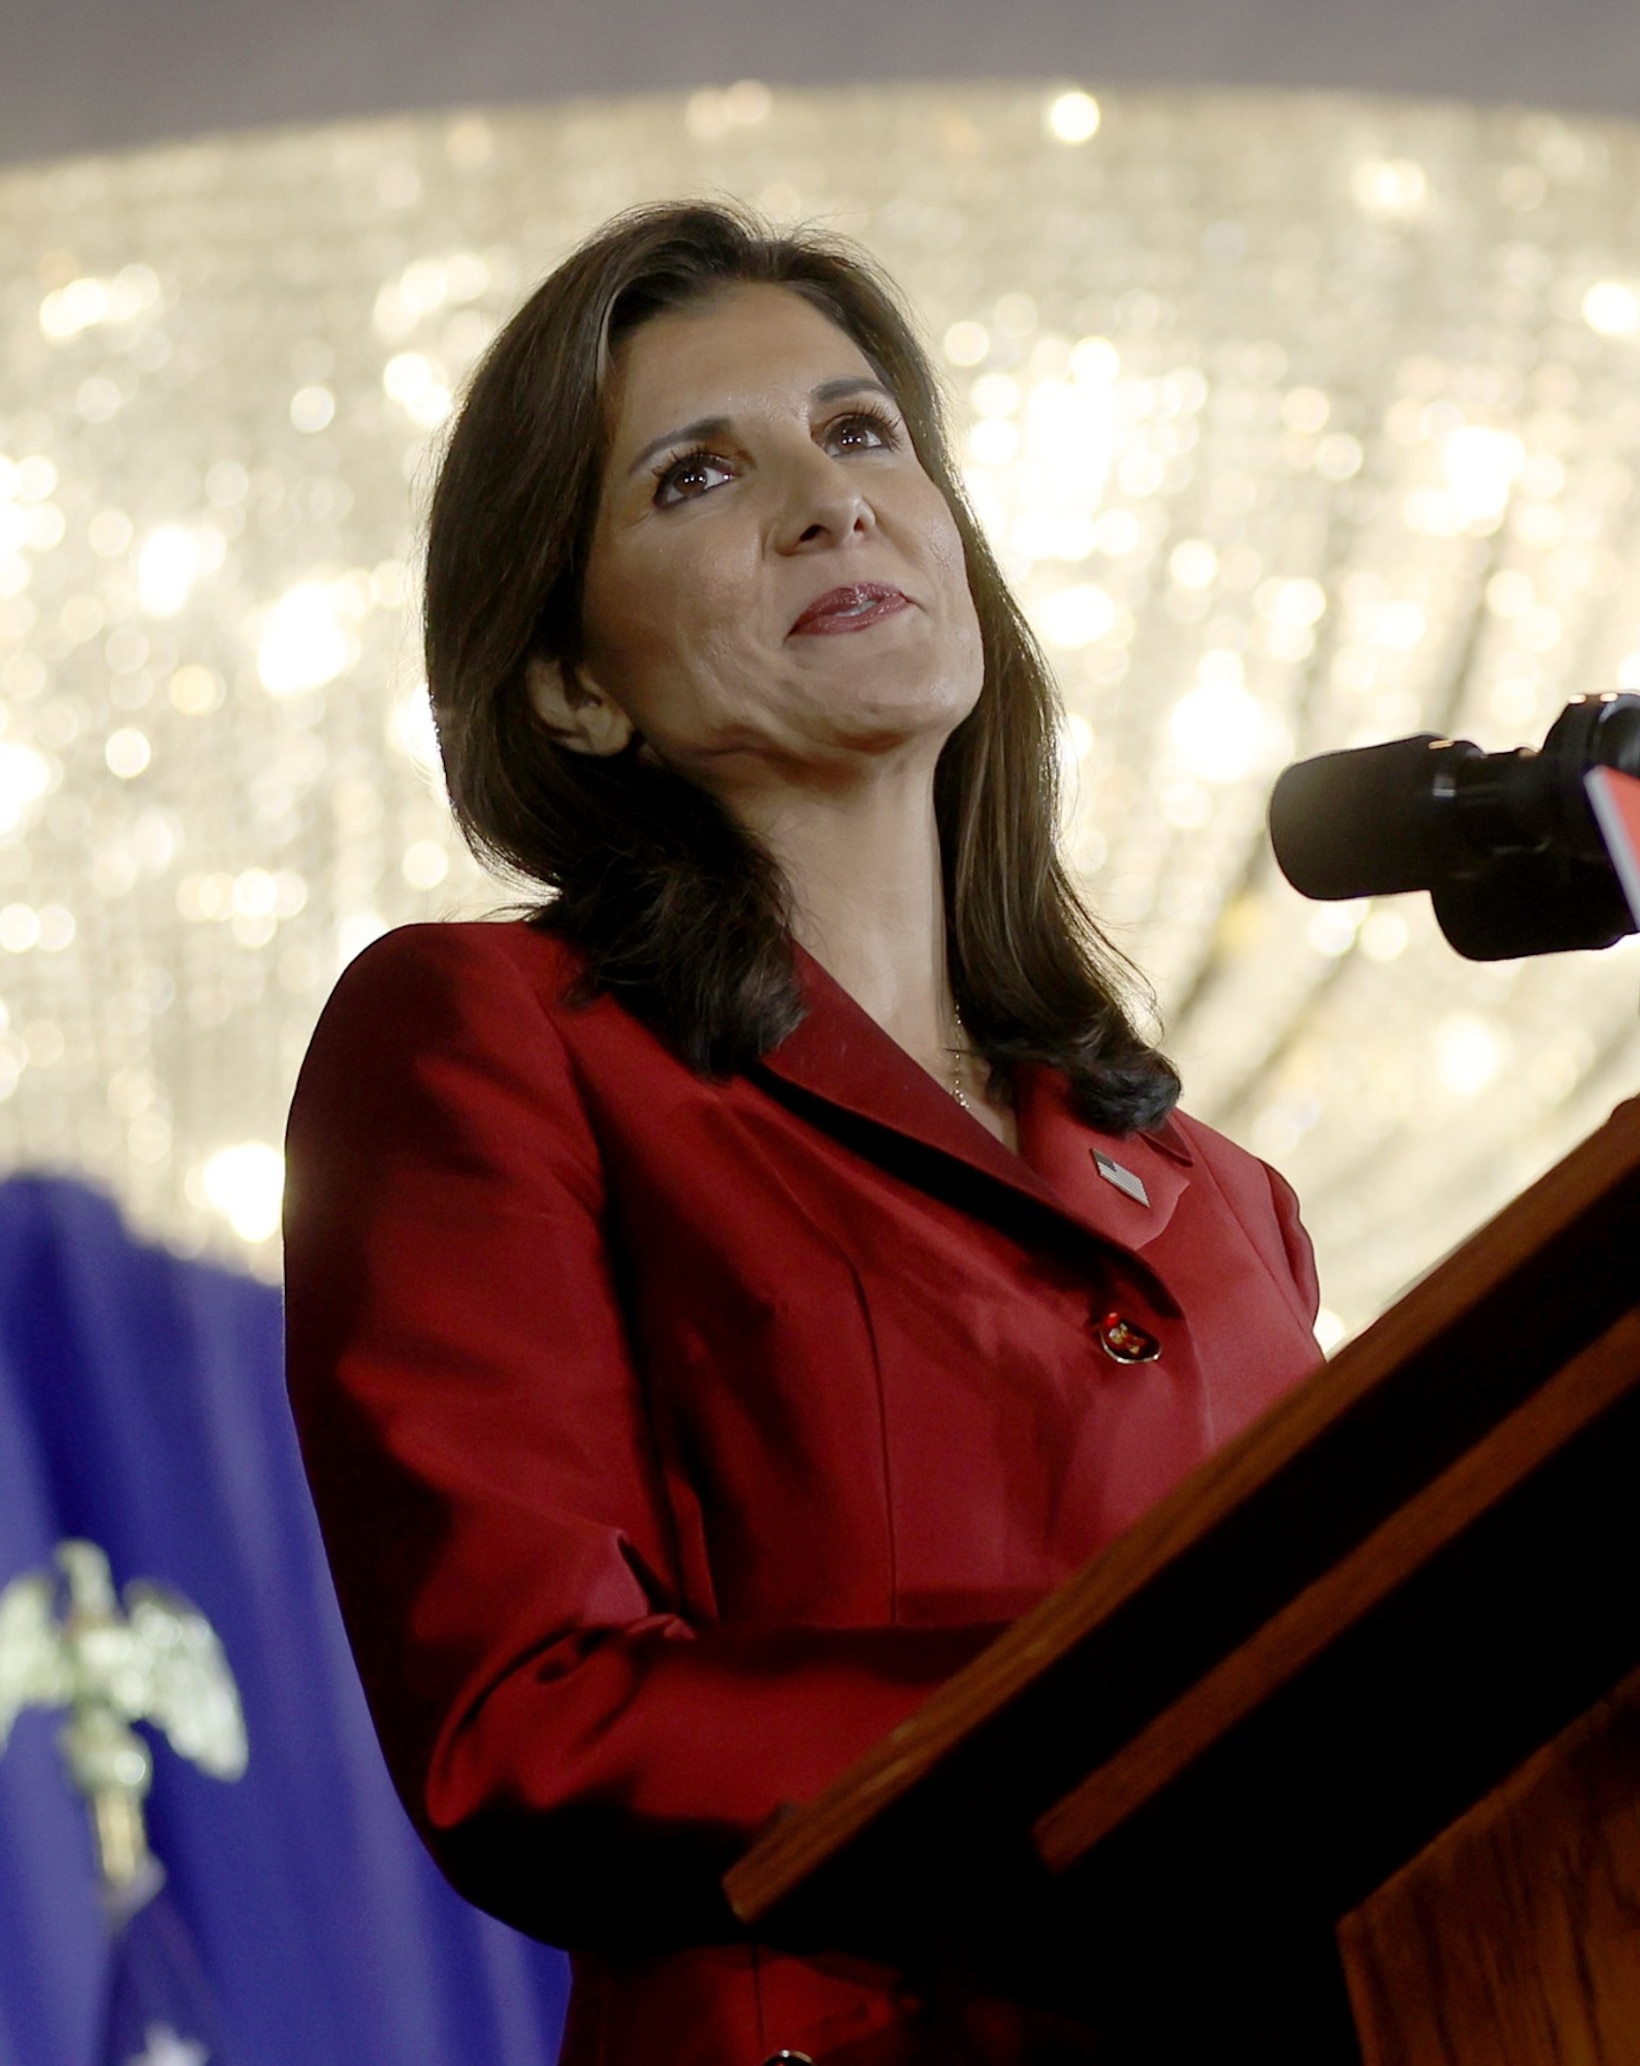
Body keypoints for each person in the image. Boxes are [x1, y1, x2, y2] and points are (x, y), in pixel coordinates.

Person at [282, 202, 1325, 2066]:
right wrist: (1122, 1722)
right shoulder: (481, 1039)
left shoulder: (1223, 1202)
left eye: (863, 434)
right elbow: (524, 1721)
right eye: (699, 474)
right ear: (575, 685)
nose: (831, 501)